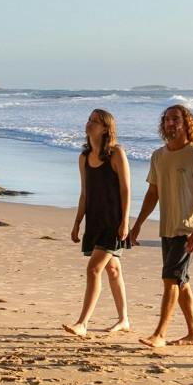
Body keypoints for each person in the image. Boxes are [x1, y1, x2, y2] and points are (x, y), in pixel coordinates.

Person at [125, 104, 193, 349]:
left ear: (187, 123)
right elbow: (152, 193)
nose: (170, 123)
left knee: (170, 279)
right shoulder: (158, 156)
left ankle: (160, 334)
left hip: (188, 229)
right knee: (180, 281)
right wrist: (137, 224)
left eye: (175, 119)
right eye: (166, 120)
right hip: (167, 227)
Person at [63, 109, 131, 338]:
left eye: (95, 121)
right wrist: (77, 222)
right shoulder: (83, 157)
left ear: (105, 128)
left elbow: (126, 189)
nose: (89, 123)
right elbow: (84, 193)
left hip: (113, 221)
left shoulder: (116, 154)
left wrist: (125, 221)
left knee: (94, 269)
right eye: (89, 120)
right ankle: (124, 319)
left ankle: (82, 323)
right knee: (113, 269)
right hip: (94, 220)